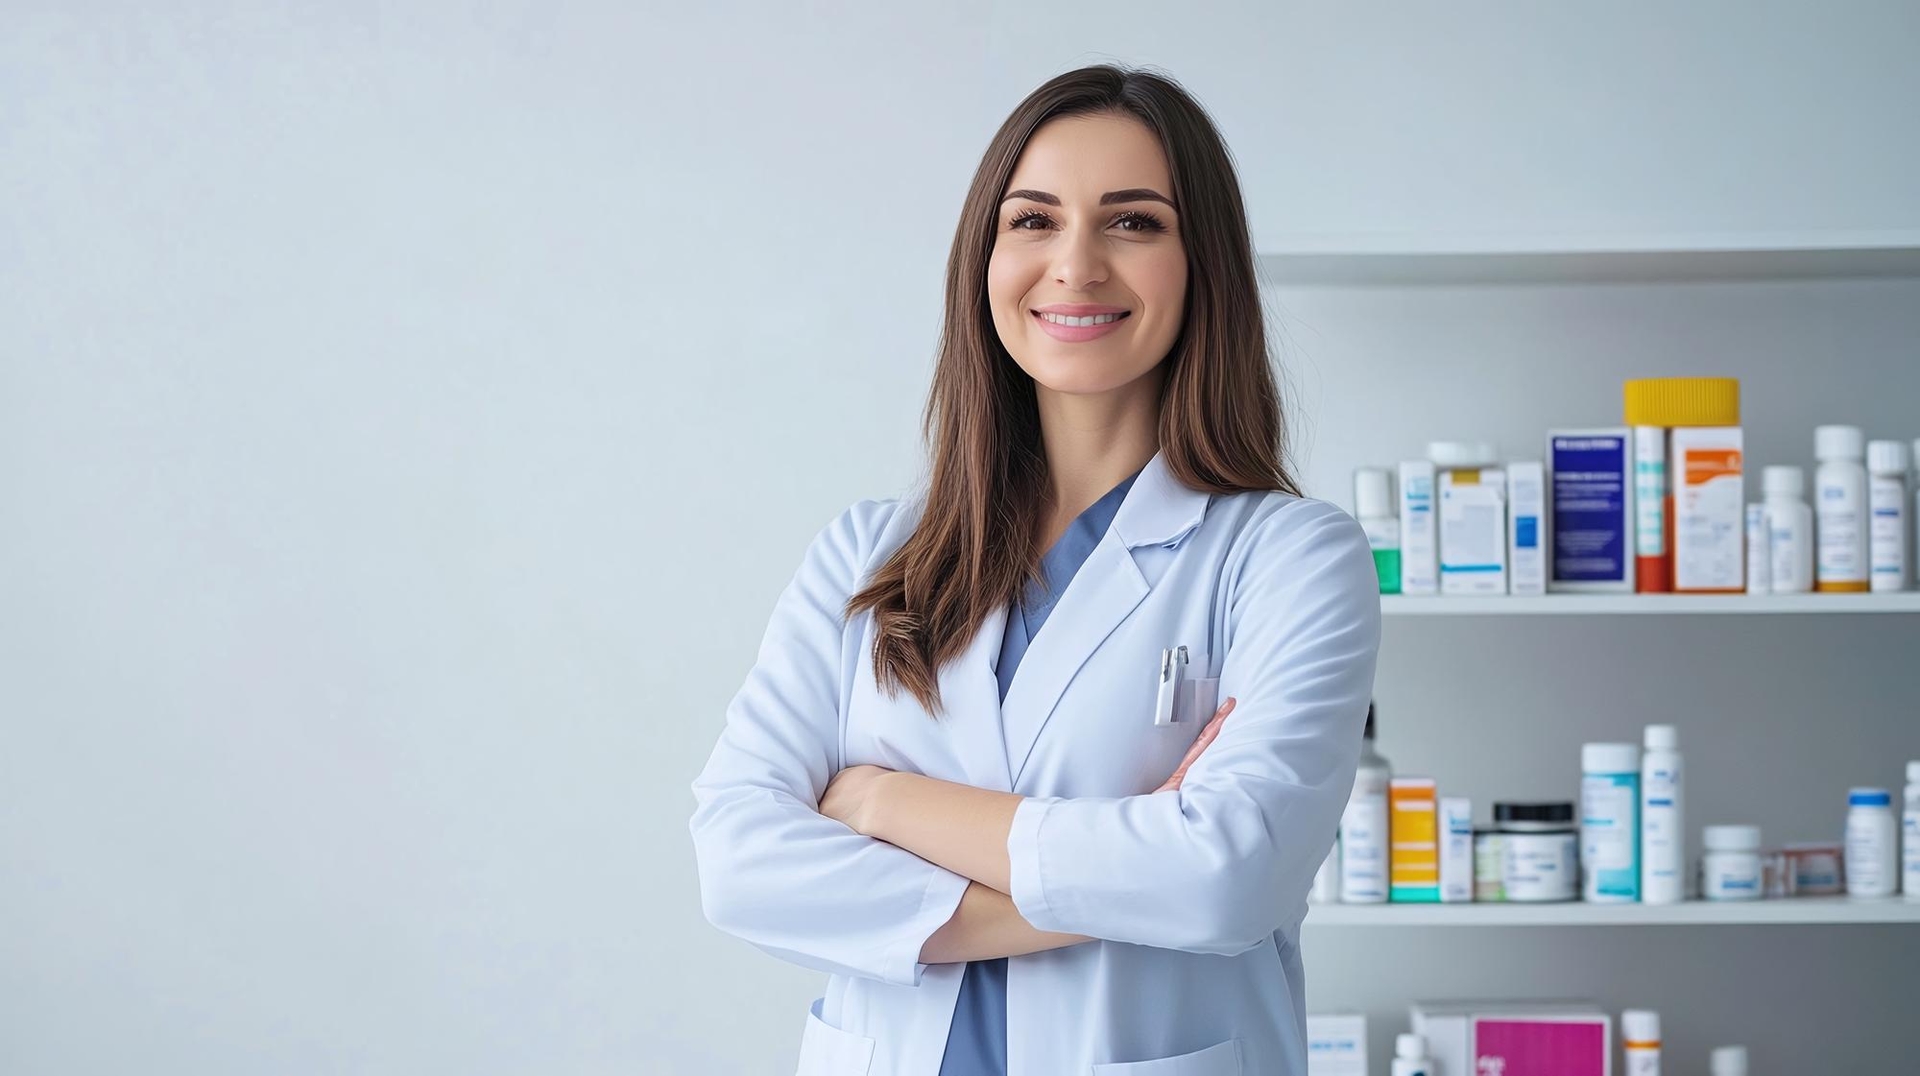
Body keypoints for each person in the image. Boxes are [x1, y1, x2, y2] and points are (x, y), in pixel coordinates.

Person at [690, 63, 1381, 1076]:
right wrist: (1120, 872)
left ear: (1204, 265)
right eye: (1033, 220)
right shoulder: (866, 553)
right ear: (985, 255)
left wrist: (885, 804)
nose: (1077, 265)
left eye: (1134, 222)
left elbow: (1230, 877)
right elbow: (740, 862)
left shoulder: (1288, 558)